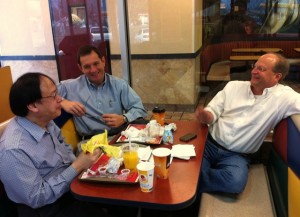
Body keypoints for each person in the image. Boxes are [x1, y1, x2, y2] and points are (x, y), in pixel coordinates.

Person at [0, 72, 110, 217]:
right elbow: (37, 197)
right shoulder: (13, 149)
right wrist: (77, 166)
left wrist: (84, 165)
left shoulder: (45, 121)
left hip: (70, 189)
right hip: (47, 208)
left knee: (122, 197)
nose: (60, 99)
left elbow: (64, 148)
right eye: (53, 96)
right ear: (33, 105)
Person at [196, 53, 300, 194]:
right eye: (254, 66)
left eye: (261, 69)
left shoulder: (285, 97)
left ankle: (195, 180)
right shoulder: (233, 87)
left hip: (237, 156)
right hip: (209, 145)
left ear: (277, 77)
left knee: (234, 183)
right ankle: (196, 179)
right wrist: (207, 116)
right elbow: (212, 111)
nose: (253, 71)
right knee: (184, 165)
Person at [57, 44, 148, 139]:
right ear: (81, 68)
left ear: (103, 61)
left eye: (96, 64)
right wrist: (62, 102)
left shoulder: (119, 85)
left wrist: (124, 118)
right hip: (89, 143)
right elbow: (44, 95)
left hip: (118, 138)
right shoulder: (69, 87)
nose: (93, 70)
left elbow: (140, 109)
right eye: (87, 67)